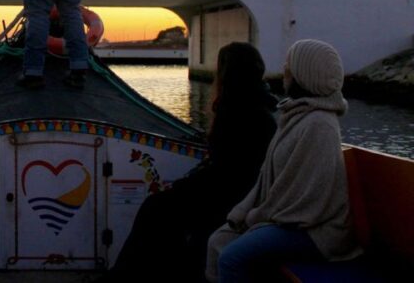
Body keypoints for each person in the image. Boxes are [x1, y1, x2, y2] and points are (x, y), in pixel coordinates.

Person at [100, 42, 278, 282]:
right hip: (235, 192)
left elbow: (224, 172)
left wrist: (183, 187)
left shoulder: (239, 113)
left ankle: (121, 276)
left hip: (229, 197)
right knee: (161, 209)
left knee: (157, 208)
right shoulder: (258, 109)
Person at [206, 39, 362, 282]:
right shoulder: (295, 116)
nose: (285, 72)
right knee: (218, 240)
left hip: (315, 231)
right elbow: (268, 178)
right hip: (289, 220)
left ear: (305, 73)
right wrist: (245, 210)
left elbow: (306, 198)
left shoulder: (319, 125)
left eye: (290, 68)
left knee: (231, 257)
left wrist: (257, 216)